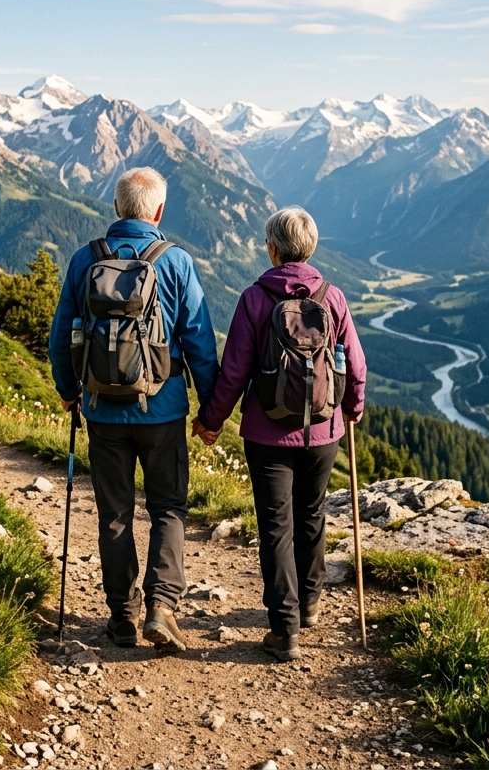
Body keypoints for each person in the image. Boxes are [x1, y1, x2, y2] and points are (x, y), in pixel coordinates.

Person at [49, 167, 219, 653]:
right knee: (167, 507)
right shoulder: (176, 262)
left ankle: (122, 616)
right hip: (163, 409)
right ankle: (161, 608)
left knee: (115, 514)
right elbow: (200, 343)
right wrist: (210, 411)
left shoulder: (87, 259)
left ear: (118, 208)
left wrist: (68, 389)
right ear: (158, 211)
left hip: (103, 409)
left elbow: (61, 336)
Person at [194, 206, 366, 662]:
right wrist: (353, 408)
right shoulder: (333, 297)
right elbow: (355, 363)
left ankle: (284, 626)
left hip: (267, 433)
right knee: (311, 514)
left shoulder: (255, 298)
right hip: (323, 431)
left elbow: (233, 372)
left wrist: (211, 421)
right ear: (309, 248)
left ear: (272, 249)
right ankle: (309, 603)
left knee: (275, 526)